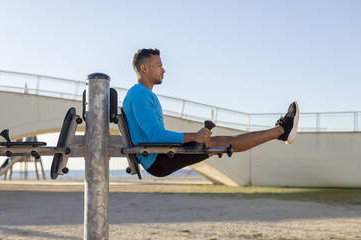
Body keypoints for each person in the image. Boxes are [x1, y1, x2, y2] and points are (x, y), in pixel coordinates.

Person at [122, 48, 299, 177]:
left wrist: (195, 137)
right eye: (159, 65)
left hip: (157, 155)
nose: (164, 69)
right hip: (158, 159)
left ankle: (281, 131)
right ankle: (282, 130)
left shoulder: (140, 94)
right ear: (144, 68)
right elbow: (154, 135)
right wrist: (194, 136)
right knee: (223, 142)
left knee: (221, 142)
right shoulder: (140, 94)